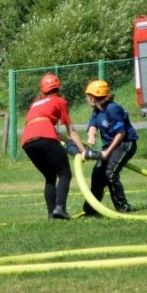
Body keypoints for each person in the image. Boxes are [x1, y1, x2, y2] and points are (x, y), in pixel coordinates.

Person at [20, 74, 88, 220]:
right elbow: (71, 129)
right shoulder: (59, 101)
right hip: (46, 138)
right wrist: (83, 150)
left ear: (43, 90)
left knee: (50, 176)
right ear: (58, 87)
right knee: (64, 173)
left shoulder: (36, 104)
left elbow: (48, 128)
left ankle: (52, 214)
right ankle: (60, 208)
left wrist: (69, 141)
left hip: (27, 141)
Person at [82, 79, 139, 215]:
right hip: (110, 146)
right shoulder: (97, 110)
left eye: (88, 96)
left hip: (125, 144)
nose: (87, 99)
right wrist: (91, 136)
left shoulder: (112, 109)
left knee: (110, 173)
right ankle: (92, 209)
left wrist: (107, 152)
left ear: (93, 97)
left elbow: (121, 133)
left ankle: (122, 206)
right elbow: (93, 125)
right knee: (97, 175)